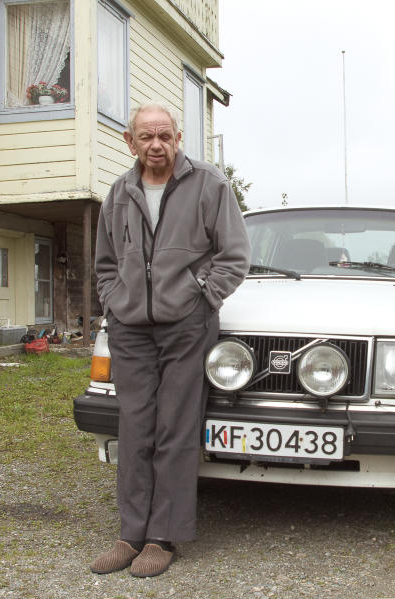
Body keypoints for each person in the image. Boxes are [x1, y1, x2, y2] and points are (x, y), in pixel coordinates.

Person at [90, 103, 250, 578]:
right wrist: (114, 302)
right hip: (131, 329)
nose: (155, 144)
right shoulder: (119, 193)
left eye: (164, 136)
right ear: (130, 141)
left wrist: (202, 298)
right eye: (146, 137)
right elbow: (104, 264)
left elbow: (234, 254)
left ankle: (163, 537)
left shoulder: (209, 183)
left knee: (175, 430)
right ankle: (130, 534)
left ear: (178, 138)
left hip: (187, 326)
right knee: (135, 428)